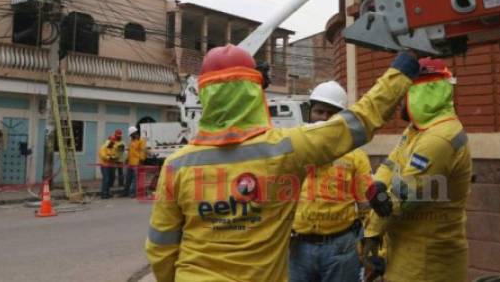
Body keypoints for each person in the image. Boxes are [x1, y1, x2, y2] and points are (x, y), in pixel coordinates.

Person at [145, 44, 420, 282]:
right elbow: (359, 121)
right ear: (254, 94)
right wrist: (403, 66)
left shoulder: (176, 166)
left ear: (204, 95)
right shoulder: (286, 149)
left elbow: (161, 248)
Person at [362, 57, 471, 282]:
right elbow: (391, 162)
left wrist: (370, 234)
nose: (400, 101)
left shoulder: (438, 139)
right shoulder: (418, 130)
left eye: (405, 93)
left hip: (427, 263)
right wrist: (379, 183)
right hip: (408, 253)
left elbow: (400, 199)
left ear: (421, 92)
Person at [289, 81, 372, 282]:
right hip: (299, 247)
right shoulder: (293, 149)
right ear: (310, 112)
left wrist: (370, 248)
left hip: (341, 248)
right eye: (319, 111)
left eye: (332, 113)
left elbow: (367, 207)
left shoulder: (355, 156)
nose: (325, 118)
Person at [125, 126, 147, 198]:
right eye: (130, 135)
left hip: (137, 163)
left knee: (135, 179)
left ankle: (132, 192)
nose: (131, 136)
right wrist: (127, 159)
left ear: (134, 133)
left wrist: (141, 160)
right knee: (128, 178)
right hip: (130, 163)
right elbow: (129, 152)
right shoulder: (132, 141)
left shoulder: (141, 141)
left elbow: (142, 151)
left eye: (131, 135)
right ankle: (126, 191)